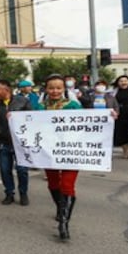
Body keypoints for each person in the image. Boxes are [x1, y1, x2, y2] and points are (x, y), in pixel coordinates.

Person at [38, 74, 82, 240]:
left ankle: (64, 222)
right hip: (49, 152)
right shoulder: (40, 107)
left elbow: (92, 124)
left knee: (67, 185)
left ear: (64, 89)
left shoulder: (74, 106)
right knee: (53, 183)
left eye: (58, 88)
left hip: (71, 152)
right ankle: (60, 207)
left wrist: (110, 117)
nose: (54, 91)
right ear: (46, 89)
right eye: (51, 88)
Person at [0, 79, 32, 206]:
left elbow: (32, 119)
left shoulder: (23, 102)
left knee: (22, 170)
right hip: (3, 143)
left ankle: (23, 193)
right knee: (5, 170)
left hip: (20, 143)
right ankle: (9, 193)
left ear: (7, 90)